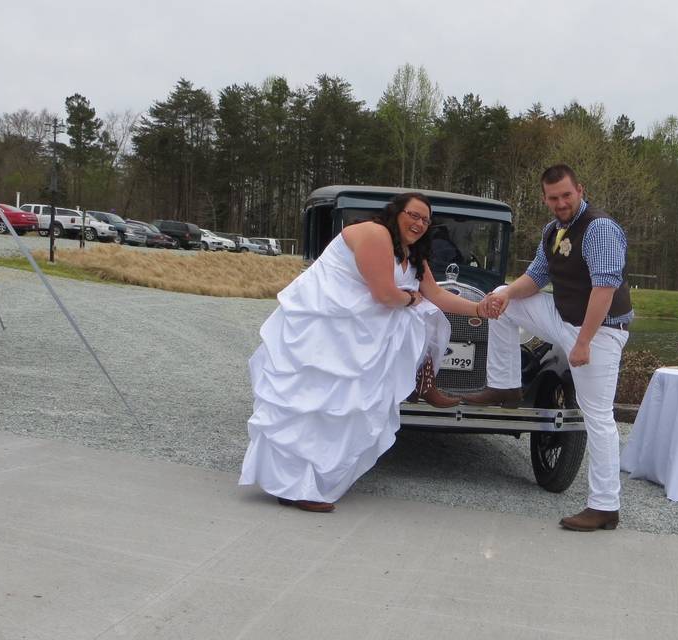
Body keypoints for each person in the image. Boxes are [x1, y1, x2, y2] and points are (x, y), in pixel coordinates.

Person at [239, 192, 495, 513]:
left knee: (349, 407)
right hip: (331, 325)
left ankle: (311, 480)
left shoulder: (412, 251)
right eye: (413, 215)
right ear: (396, 212)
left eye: (425, 220)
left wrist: (479, 308)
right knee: (317, 404)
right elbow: (386, 295)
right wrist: (411, 300)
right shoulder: (375, 234)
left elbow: (436, 294)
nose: (419, 223)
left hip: (359, 325)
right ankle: (295, 485)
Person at [463, 164, 633, 532]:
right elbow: (537, 278)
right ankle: (505, 384)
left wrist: (583, 342)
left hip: (600, 331)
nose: (560, 203)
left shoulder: (600, 228)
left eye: (566, 196)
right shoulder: (552, 230)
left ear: (580, 190)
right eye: (553, 198)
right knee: (501, 299)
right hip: (565, 316)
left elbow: (604, 289)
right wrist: (505, 294)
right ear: (545, 198)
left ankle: (605, 506)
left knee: (598, 417)